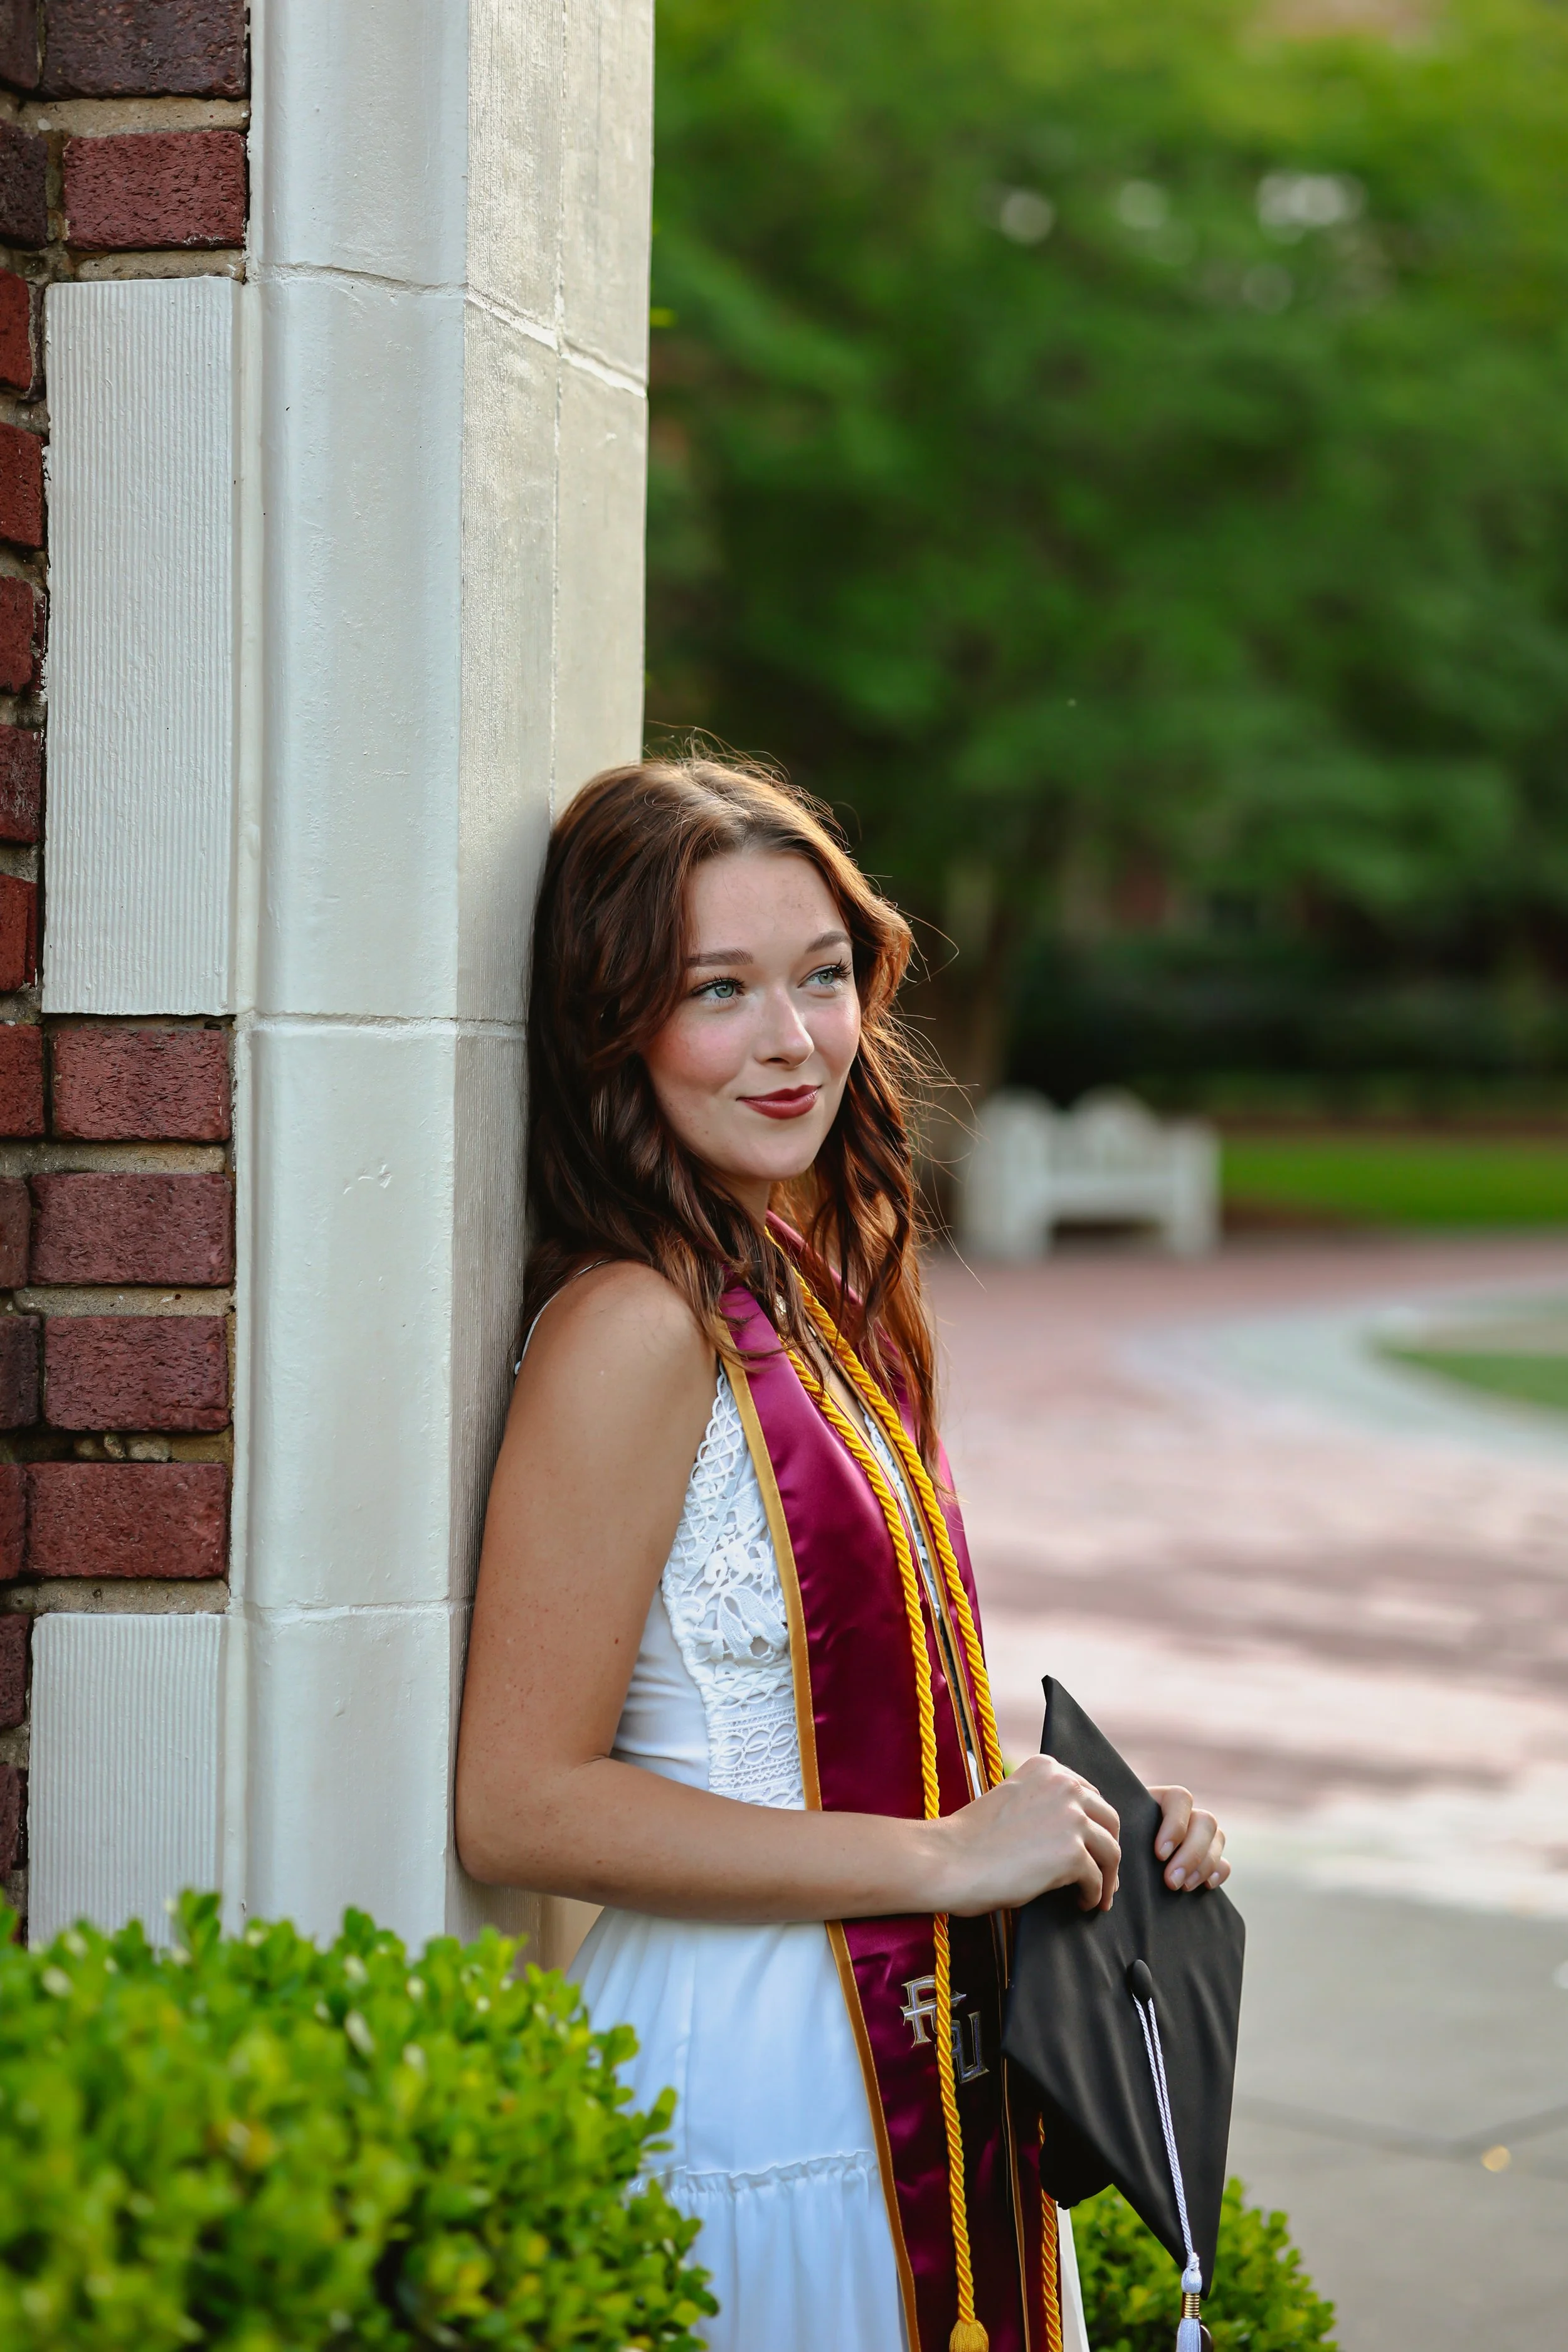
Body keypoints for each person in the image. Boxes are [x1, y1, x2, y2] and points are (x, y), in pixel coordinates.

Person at [455, 758, 1228, 2352]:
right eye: (715, 990)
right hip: (758, 2095)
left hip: (937, 2050)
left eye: (817, 977)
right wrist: (944, 1859)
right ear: (614, 1025)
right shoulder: (630, 1326)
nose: (791, 1040)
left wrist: (1078, 1828)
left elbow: (858, 1698)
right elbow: (518, 1801)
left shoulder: (819, 1282)